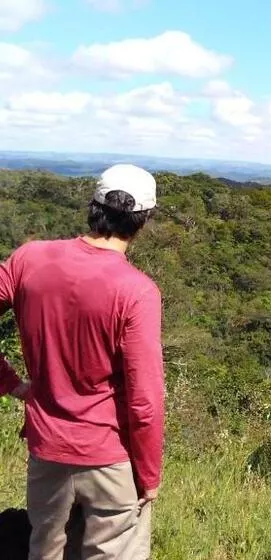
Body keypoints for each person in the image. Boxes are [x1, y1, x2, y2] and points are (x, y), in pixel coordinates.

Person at [0, 164, 165, 560]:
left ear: (93, 207)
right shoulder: (137, 292)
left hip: (47, 448)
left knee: (45, 550)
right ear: (144, 220)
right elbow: (145, 402)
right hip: (110, 456)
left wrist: (9, 382)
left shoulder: (29, 260)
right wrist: (148, 476)